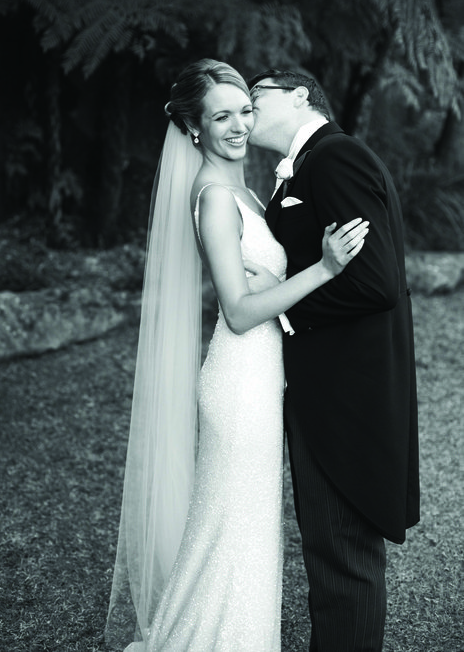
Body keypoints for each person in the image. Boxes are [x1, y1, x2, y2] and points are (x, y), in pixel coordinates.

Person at [104, 59, 368, 652]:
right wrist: (325, 269)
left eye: (245, 110)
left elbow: (260, 287)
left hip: (259, 380)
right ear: (195, 128)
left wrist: (285, 274)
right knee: (235, 532)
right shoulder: (216, 196)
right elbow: (240, 311)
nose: (239, 125)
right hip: (240, 385)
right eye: (221, 116)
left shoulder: (244, 189)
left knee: (237, 531)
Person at [247, 68, 420, 652]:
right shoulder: (305, 167)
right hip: (323, 390)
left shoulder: (335, 157)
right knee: (328, 553)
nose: (246, 110)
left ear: (300, 95)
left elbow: (376, 283)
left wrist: (283, 309)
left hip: (347, 398)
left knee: (342, 559)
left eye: (256, 96)